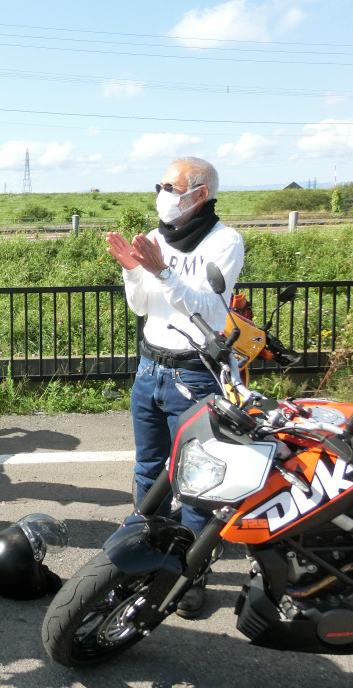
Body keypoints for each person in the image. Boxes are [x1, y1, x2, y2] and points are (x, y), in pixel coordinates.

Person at [105, 156, 244, 619]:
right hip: (151, 367)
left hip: (195, 373)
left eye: (171, 187)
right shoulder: (158, 237)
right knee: (149, 470)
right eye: (160, 185)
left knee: (198, 479)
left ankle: (191, 573)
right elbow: (142, 306)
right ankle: (148, 557)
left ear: (200, 194)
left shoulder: (225, 241)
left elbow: (210, 310)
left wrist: (164, 271)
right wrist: (133, 269)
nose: (162, 194)